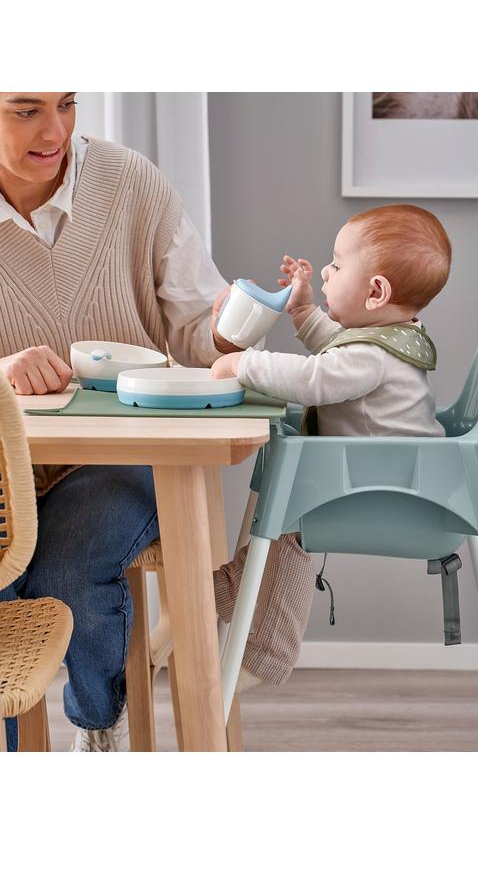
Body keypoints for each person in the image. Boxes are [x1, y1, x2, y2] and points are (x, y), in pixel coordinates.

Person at [0, 91, 242, 751]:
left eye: (67, 103)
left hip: (118, 454)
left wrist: (228, 326)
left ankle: (97, 725)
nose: (55, 132)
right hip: (5, 466)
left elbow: (195, 329)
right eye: (25, 110)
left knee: (69, 568)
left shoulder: (129, 181)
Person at [210, 203, 452, 690]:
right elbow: (335, 350)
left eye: (338, 265)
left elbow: (316, 379)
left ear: (376, 291)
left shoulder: (371, 356)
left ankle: (259, 649)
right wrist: (301, 309)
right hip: (384, 480)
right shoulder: (385, 342)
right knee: (282, 521)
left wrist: (244, 364)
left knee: (285, 531)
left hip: (383, 494)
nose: (325, 269)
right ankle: (229, 593)